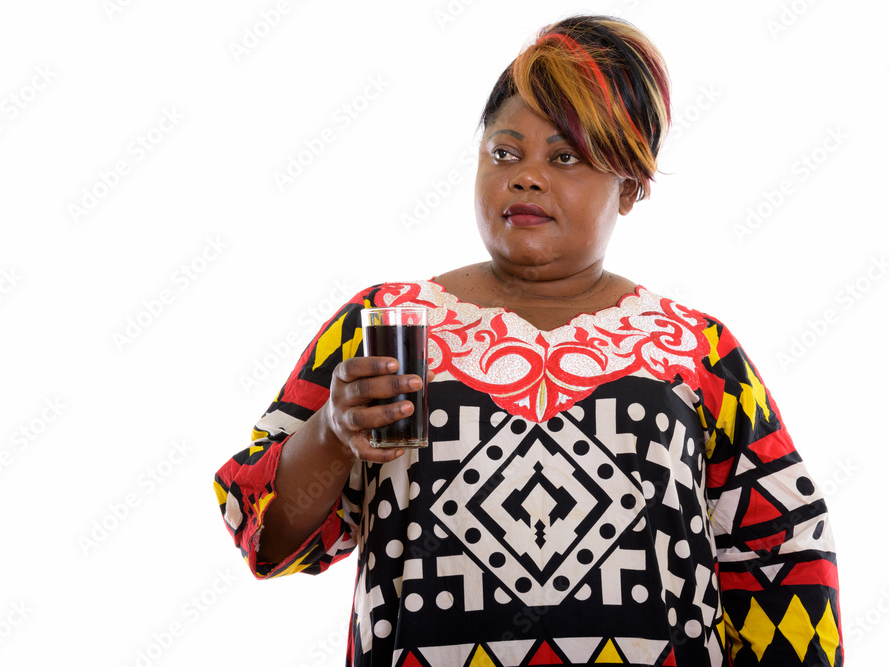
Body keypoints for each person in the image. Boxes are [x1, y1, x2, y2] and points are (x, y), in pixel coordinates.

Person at [214, 15, 843, 667]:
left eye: (564, 156)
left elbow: (783, 553)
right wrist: (332, 434)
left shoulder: (696, 351)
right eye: (504, 152)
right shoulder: (388, 324)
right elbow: (262, 535)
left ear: (629, 185)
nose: (526, 176)